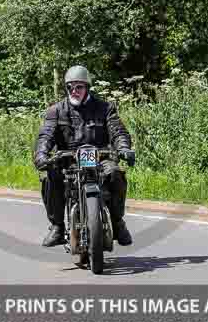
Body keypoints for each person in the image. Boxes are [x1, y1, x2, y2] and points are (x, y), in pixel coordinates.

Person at [33, 65, 136, 247]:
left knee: (115, 173)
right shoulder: (56, 111)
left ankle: (118, 222)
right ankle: (57, 227)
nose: (74, 91)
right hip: (68, 160)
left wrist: (124, 148)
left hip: (100, 157)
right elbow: (46, 135)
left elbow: (118, 131)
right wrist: (41, 154)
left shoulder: (105, 108)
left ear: (87, 87)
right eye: (70, 87)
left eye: (79, 87)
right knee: (51, 176)